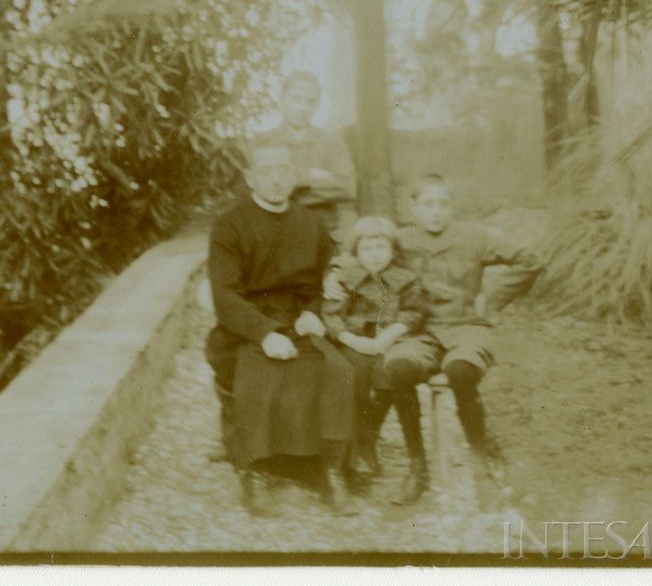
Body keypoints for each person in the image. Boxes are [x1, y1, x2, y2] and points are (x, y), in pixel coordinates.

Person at [204, 135, 358, 516]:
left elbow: (324, 281)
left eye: (283, 170)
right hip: (247, 324)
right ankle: (254, 470)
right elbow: (225, 296)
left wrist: (313, 310)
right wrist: (264, 333)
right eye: (266, 171)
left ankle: (328, 467)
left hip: (298, 319)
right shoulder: (229, 226)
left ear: (295, 175)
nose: (276, 179)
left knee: (337, 371)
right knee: (261, 370)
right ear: (250, 177)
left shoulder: (312, 223)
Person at [382, 174, 544, 505]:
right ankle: (417, 467)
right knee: (398, 369)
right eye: (428, 204)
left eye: (443, 203)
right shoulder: (399, 241)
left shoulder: (474, 236)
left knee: (461, 371)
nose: (437, 212)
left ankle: (480, 460)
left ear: (452, 206)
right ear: (412, 208)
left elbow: (531, 260)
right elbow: (363, 263)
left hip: (468, 327)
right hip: (420, 331)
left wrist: (494, 298)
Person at [321, 216, 431, 480]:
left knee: (387, 374)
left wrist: (387, 338)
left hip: (389, 340)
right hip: (354, 341)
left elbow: (414, 312)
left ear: (393, 250)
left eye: (381, 248)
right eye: (367, 249)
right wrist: (351, 339)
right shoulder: (347, 279)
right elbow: (332, 315)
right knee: (353, 372)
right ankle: (358, 445)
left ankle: (369, 437)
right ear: (356, 252)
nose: (374, 255)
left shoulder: (405, 279)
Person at [260, 71, 357, 242]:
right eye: (296, 99)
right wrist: (310, 175)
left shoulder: (331, 141)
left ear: (317, 106)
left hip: (324, 231)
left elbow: (346, 186)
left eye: (310, 102)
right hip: (278, 232)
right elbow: (264, 189)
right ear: (282, 100)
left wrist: (291, 189)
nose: (303, 108)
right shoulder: (265, 142)